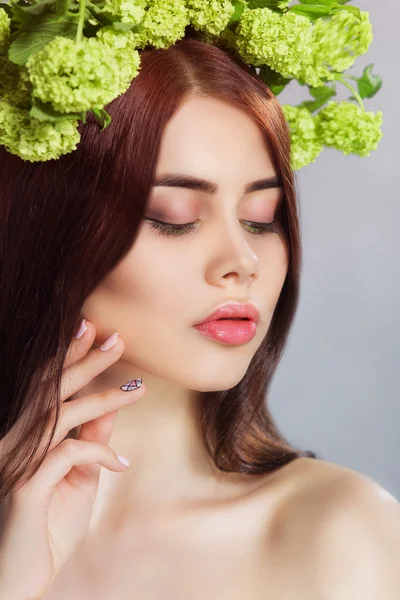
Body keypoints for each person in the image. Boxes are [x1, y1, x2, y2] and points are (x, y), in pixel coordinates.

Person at [0, 33, 399, 600]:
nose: (242, 262)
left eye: (263, 218)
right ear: (45, 231)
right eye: (174, 216)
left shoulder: (337, 534)